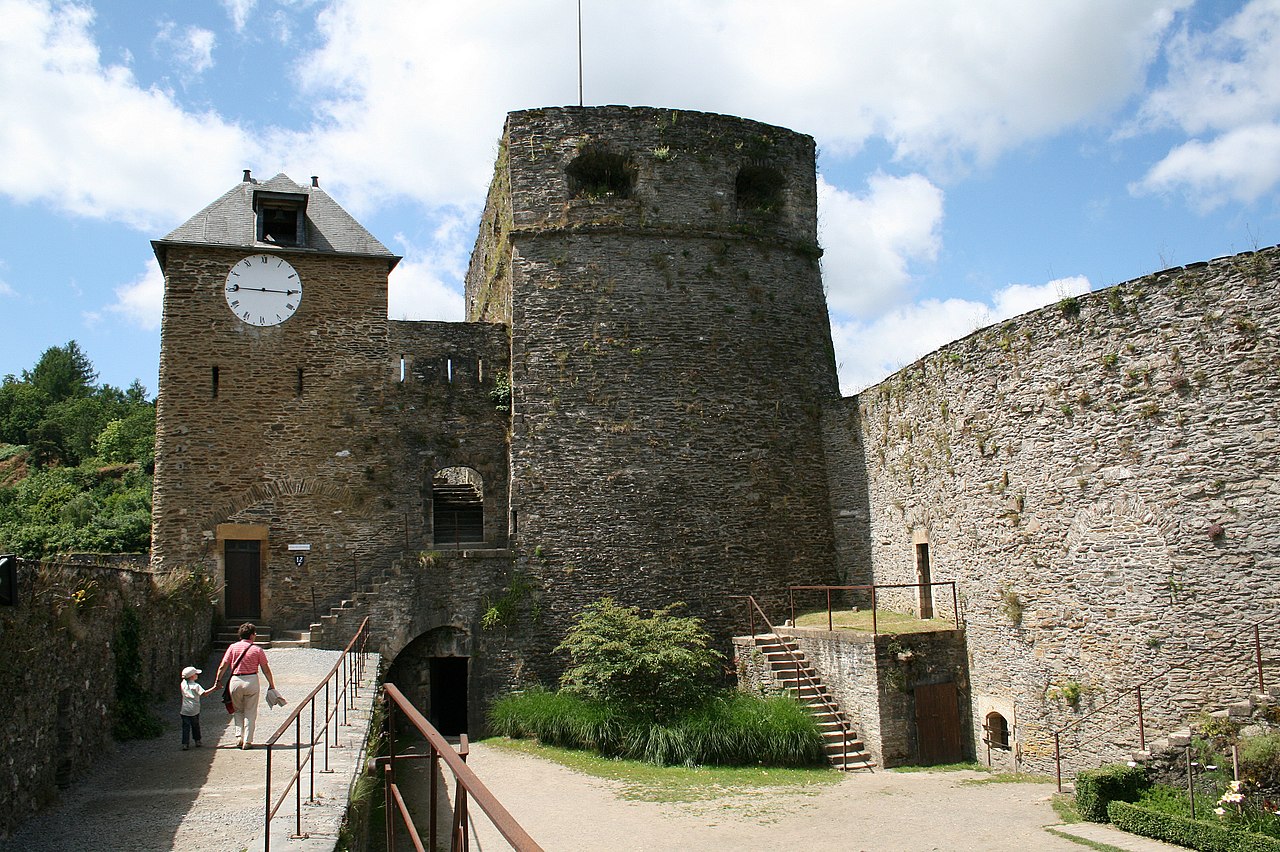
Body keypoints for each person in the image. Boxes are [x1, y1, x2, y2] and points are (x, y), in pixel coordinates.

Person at [214, 623, 277, 749]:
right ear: (252, 635)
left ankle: (239, 736)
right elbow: (266, 669)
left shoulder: (233, 647)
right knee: (250, 711)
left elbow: (223, 666)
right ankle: (248, 740)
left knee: (238, 710)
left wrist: (218, 680)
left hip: (236, 680)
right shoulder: (257, 650)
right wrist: (271, 684)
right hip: (251, 679)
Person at [179, 666, 210, 750]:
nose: (197, 675)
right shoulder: (196, 686)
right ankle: (197, 740)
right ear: (192, 676)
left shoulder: (183, 684)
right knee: (195, 726)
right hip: (194, 710)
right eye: (196, 674)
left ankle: (185, 743)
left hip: (184, 710)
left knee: (186, 727)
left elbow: (184, 678)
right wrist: (215, 688)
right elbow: (204, 694)